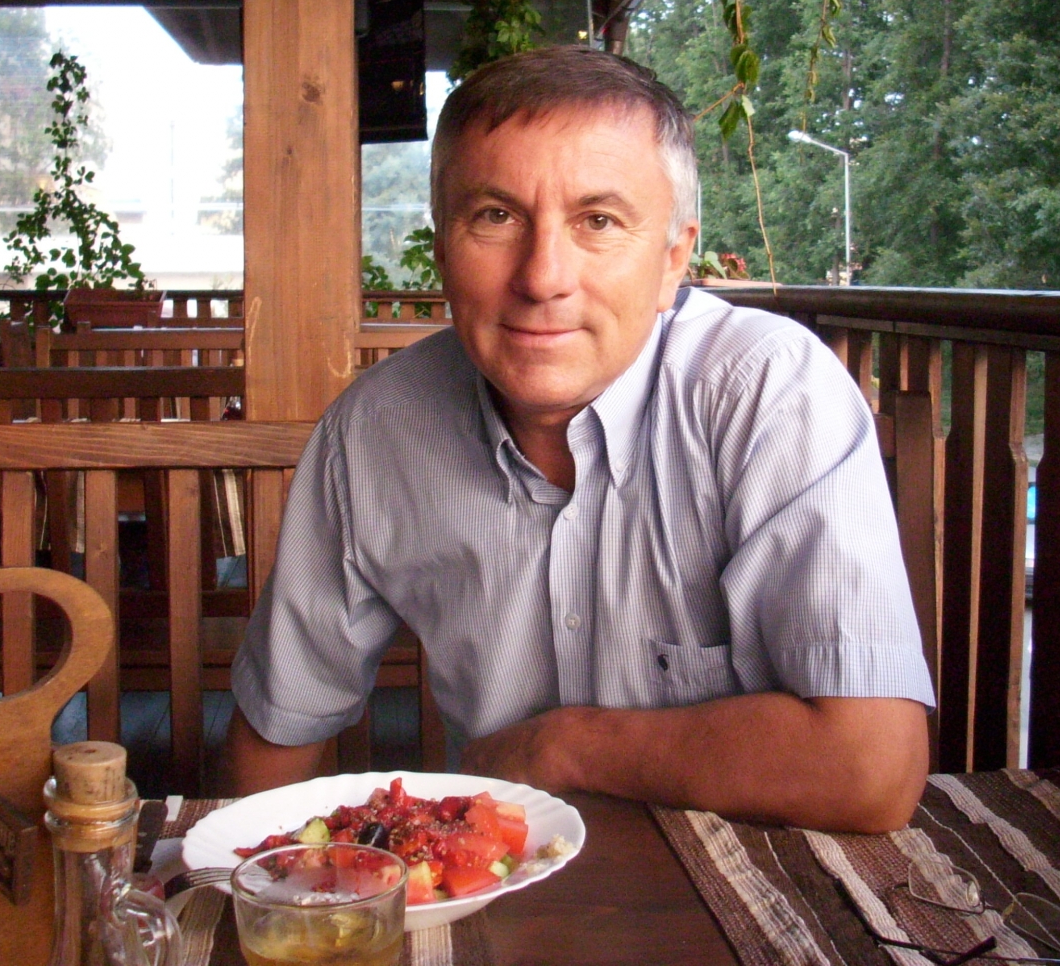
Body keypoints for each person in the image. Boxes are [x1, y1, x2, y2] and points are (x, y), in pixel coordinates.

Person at [225, 46, 934, 832]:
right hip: (496, 875)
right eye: (495, 217)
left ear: (673, 259)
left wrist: (557, 748)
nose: (542, 277)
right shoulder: (376, 432)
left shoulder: (768, 393)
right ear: (442, 250)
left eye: (598, 221)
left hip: (757, 875)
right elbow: (281, 725)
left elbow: (871, 768)